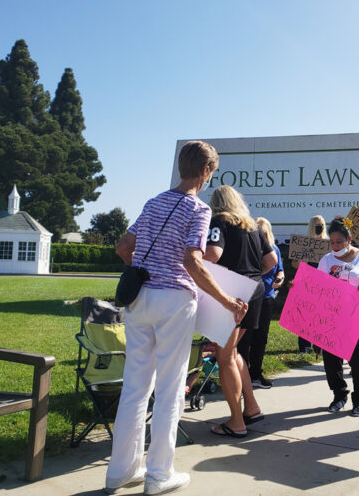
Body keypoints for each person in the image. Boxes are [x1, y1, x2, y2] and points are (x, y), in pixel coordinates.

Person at [106, 141, 247, 495]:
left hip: (140, 299)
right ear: (205, 172)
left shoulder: (153, 202)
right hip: (174, 301)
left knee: (135, 388)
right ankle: (158, 474)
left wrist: (142, 270)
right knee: (170, 389)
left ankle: (120, 471)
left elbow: (124, 247)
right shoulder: (199, 210)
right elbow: (192, 261)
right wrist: (228, 300)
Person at [204, 185, 278, 438]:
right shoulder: (253, 226)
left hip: (231, 293)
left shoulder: (219, 222)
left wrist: (195, 262)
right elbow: (271, 262)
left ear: (216, 203)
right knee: (233, 352)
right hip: (255, 289)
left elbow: (212, 255)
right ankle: (252, 407)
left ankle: (236, 422)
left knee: (224, 358)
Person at [317, 216, 359, 417]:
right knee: (331, 359)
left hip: (357, 315)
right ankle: (339, 395)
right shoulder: (326, 260)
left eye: (339, 242)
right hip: (333, 316)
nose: (335, 246)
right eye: (332, 242)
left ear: (349, 239)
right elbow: (317, 284)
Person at [252, 217, 285, 388]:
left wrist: (279, 278)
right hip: (249, 296)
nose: (261, 238)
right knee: (246, 338)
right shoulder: (250, 248)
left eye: (264, 234)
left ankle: (256, 374)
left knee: (261, 337)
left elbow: (280, 270)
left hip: (266, 297)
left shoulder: (275, 249)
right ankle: (244, 374)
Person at [294, 215, 328, 354]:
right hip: (307, 283)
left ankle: (319, 345)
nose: (319, 227)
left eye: (321, 224)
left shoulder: (328, 244)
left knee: (321, 316)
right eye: (316, 225)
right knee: (305, 315)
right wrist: (304, 261)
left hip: (323, 285)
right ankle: (305, 346)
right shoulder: (304, 244)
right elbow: (294, 264)